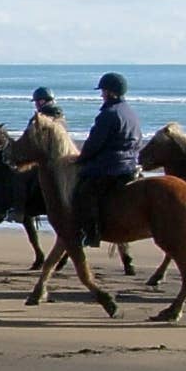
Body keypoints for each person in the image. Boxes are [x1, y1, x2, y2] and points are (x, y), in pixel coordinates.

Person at [70, 72, 142, 247]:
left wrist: (80, 159)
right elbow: (138, 139)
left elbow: (94, 143)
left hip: (111, 166)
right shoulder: (130, 112)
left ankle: (91, 233)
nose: (101, 94)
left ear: (110, 92)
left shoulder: (108, 114)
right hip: (130, 163)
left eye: (103, 91)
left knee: (83, 193)